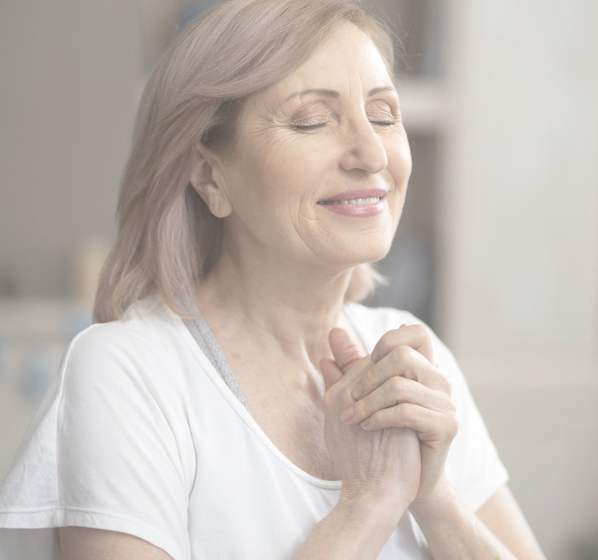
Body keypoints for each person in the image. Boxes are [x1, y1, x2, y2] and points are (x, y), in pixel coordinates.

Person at [0, 0, 547, 558]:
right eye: (312, 120)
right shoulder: (128, 375)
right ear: (211, 177)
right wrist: (366, 506)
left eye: (384, 115)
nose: (371, 151)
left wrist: (434, 497)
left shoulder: (412, 357)